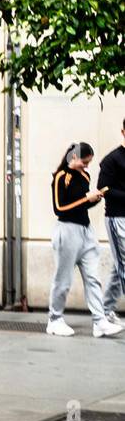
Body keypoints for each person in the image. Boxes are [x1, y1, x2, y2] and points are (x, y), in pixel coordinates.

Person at [48, 143, 122, 337]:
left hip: (86, 231)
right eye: (84, 162)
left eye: (88, 162)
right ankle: (54, 319)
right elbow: (60, 209)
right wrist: (85, 200)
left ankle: (100, 322)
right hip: (67, 231)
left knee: (93, 277)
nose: (86, 166)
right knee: (63, 280)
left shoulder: (85, 176)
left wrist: (95, 198)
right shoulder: (60, 177)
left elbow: (82, 205)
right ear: (73, 158)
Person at [96, 121, 125, 322]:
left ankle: (106, 309)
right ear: (123, 132)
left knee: (119, 266)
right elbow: (103, 189)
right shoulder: (111, 160)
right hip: (117, 218)